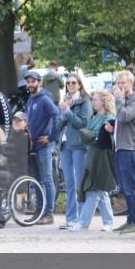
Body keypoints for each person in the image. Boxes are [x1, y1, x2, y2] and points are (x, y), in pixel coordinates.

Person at [70, 89, 117, 232]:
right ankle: (108, 221)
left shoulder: (109, 117)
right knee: (100, 190)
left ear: (103, 101)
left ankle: (83, 222)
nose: (93, 102)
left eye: (95, 99)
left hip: (102, 156)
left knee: (93, 188)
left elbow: (106, 139)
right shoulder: (95, 117)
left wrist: (93, 135)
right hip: (92, 153)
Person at [24, 70, 60, 225]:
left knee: (46, 179)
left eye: (33, 81)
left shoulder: (44, 99)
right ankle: (39, 212)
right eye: (28, 81)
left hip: (44, 146)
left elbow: (57, 116)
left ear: (39, 82)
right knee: (37, 180)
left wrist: (51, 137)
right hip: (34, 146)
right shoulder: (31, 99)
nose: (30, 84)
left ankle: (49, 213)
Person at [111, 70, 135, 234]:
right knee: (124, 188)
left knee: (132, 186)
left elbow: (124, 116)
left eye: (123, 83)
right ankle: (130, 219)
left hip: (131, 149)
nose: (120, 86)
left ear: (131, 83)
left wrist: (118, 98)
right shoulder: (123, 100)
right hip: (120, 148)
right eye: (118, 83)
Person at [56, 73, 90, 230]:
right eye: (68, 83)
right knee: (69, 183)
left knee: (79, 183)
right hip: (65, 145)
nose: (70, 85)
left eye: (74, 82)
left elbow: (84, 123)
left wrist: (68, 113)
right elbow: (57, 125)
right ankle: (71, 218)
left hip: (78, 145)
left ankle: (83, 219)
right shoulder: (64, 101)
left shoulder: (85, 101)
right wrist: (63, 114)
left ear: (80, 85)